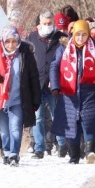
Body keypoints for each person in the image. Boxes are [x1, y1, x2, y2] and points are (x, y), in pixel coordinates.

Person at [50, 20, 95, 164]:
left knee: (89, 121)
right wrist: (55, 86)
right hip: (69, 92)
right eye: (78, 35)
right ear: (73, 34)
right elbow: (54, 67)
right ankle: (74, 154)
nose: (81, 38)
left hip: (91, 91)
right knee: (72, 123)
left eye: (84, 35)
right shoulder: (63, 48)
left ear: (88, 35)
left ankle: (90, 151)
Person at [0, 26, 40, 166]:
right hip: (0, 100)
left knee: (15, 128)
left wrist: (36, 98)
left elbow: (33, 77)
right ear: (3, 41)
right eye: (7, 41)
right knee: (4, 131)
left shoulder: (25, 54)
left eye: (14, 41)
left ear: (18, 40)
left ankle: (14, 154)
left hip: (18, 99)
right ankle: (7, 153)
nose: (11, 45)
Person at [26, 10, 68, 159]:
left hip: (55, 84)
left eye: (50, 23)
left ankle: (62, 144)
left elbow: (66, 62)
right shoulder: (31, 38)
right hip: (37, 84)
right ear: (39, 24)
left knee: (57, 114)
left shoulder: (62, 38)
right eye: (44, 24)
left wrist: (57, 79)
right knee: (37, 117)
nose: (47, 26)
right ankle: (39, 148)